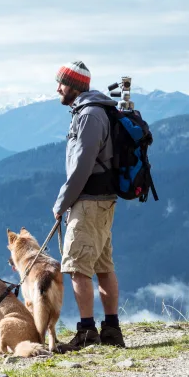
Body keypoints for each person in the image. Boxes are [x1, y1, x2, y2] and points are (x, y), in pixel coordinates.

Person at [52, 60, 126, 349]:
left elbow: (82, 166)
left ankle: (87, 332)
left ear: (75, 86)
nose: (58, 88)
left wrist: (62, 202)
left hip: (89, 202)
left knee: (78, 267)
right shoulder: (96, 111)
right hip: (102, 201)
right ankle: (111, 330)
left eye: (61, 83)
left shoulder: (89, 116)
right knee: (103, 265)